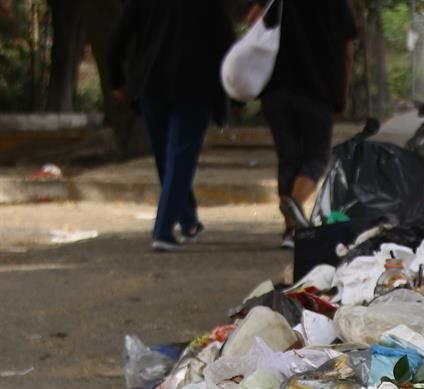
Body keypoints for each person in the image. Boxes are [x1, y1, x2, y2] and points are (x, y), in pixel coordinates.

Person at [108, 1, 234, 252]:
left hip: (152, 84)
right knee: (179, 158)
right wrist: (233, 92)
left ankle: (188, 220)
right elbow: (225, 43)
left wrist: (116, 80)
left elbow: (119, 36)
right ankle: (164, 229)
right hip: (194, 84)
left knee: (168, 159)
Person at [247, 0, 358, 249]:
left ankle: (290, 229)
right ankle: (295, 207)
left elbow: (253, 18)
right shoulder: (336, 5)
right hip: (318, 91)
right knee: (316, 157)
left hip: (277, 89)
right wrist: (343, 91)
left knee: (288, 159)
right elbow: (347, 49)